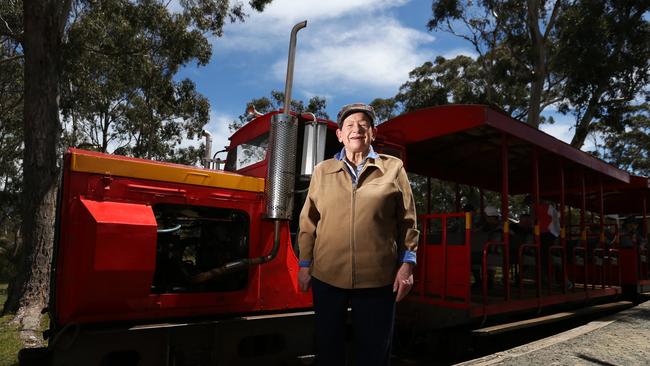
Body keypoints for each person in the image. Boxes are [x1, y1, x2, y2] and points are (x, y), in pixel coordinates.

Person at [297, 103, 419, 366]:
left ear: (372, 133)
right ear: (340, 135)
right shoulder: (322, 170)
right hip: (327, 276)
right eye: (349, 125)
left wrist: (407, 266)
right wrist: (305, 264)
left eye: (363, 124)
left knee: (374, 353)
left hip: (378, 278)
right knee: (328, 350)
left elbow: (408, 220)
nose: (357, 129)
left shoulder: (393, 168)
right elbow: (309, 221)